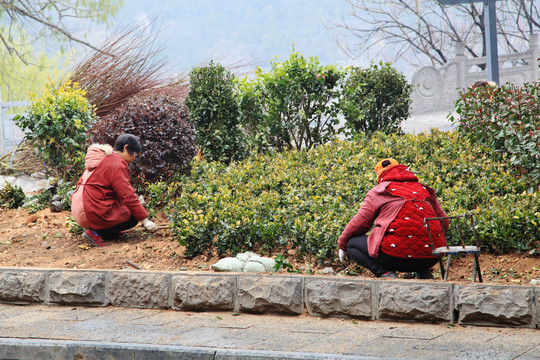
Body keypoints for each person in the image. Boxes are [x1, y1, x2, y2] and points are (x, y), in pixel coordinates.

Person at [337, 158, 448, 279]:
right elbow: (445, 222)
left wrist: (342, 246)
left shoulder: (380, 191)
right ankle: (424, 272)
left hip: (393, 257)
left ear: (379, 175)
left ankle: (385, 274)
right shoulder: (424, 190)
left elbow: (360, 223)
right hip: (431, 258)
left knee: (352, 244)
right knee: (419, 238)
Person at [71, 134, 157, 247]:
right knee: (133, 216)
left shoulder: (104, 159)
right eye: (135, 153)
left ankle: (108, 230)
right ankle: (95, 232)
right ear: (126, 148)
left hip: (82, 209)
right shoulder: (115, 163)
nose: (135, 158)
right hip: (91, 211)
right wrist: (145, 221)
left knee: (127, 208)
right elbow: (128, 196)